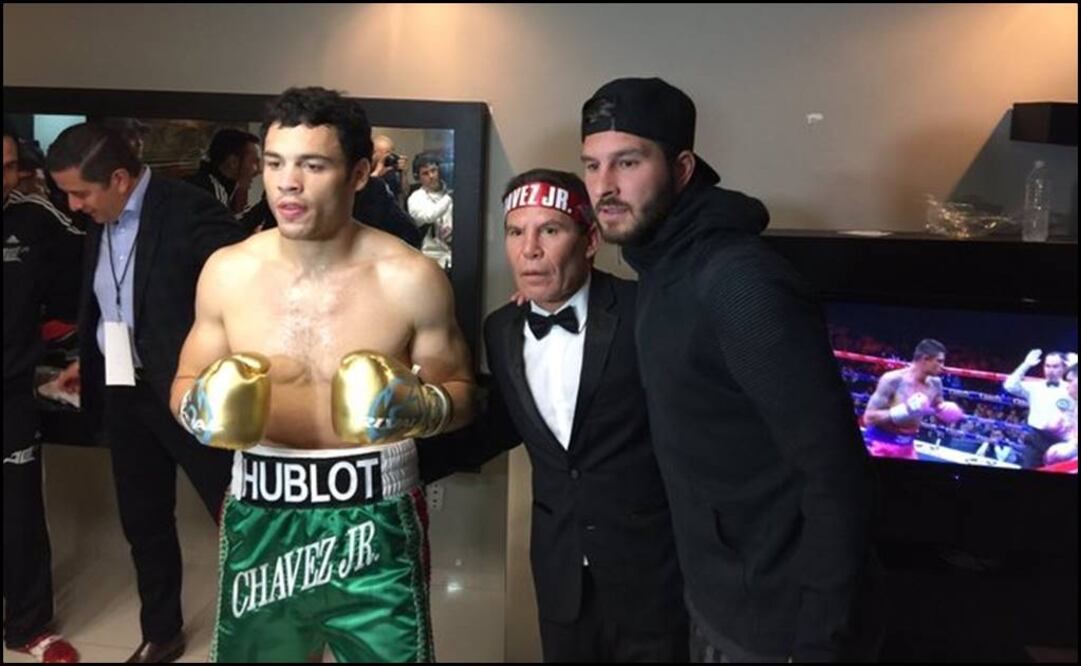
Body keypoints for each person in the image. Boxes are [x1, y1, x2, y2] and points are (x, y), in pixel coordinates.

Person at [169, 87, 475, 663]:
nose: (287, 182)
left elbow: (462, 394)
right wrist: (200, 410)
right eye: (275, 162)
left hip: (373, 514)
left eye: (313, 165)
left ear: (359, 174)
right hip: (264, 504)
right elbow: (184, 382)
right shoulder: (228, 273)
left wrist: (426, 407)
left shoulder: (409, 278)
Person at [579, 77, 877, 661]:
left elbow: (835, 472)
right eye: (591, 166)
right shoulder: (662, 266)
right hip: (717, 604)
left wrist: (819, 642)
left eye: (628, 162)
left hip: (781, 631)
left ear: (682, 167)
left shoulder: (738, 284)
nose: (605, 187)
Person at [423, 169, 687, 662]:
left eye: (549, 230)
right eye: (516, 232)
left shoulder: (645, 310)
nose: (530, 250)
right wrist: (403, 464)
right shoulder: (501, 329)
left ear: (589, 240)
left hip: (655, 570)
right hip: (560, 569)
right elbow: (501, 427)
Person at [47, 122, 247, 663]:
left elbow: (246, 288)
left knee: (237, 519)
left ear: (117, 178)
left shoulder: (189, 210)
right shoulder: (99, 216)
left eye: (80, 193)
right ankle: (162, 632)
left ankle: (257, 634)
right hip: (123, 390)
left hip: (189, 394)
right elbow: (112, 297)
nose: (71, 204)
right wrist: (85, 362)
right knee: (143, 521)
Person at [4, 123, 82, 664]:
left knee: (19, 511)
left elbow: (92, 269)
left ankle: (29, 626)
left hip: (9, 394)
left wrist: (78, 351)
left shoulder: (34, 220)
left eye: (7, 166)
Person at [863, 339, 967, 460]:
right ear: (925, 359)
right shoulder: (893, 380)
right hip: (880, 445)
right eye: (939, 361)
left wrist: (949, 412)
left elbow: (939, 409)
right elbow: (869, 418)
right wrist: (905, 410)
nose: (942, 367)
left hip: (908, 448)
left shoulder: (935, 383)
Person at [1003, 349, 1074, 469]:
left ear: (1063, 368)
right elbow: (1009, 386)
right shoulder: (1035, 387)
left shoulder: (1072, 389)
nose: (1050, 370)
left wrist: (1074, 367)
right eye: (1047, 366)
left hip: (1062, 441)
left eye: (1055, 366)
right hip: (1036, 439)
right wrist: (1026, 365)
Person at [185, 128, 262, 216]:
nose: (259, 170)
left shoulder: (219, 188)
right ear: (233, 162)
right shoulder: (207, 192)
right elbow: (221, 228)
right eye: (254, 161)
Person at [407, 153, 453, 268]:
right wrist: (450, 196)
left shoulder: (451, 192)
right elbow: (429, 216)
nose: (431, 176)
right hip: (430, 260)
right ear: (418, 177)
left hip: (454, 256)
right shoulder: (416, 198)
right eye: (425, 173)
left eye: (434, 170)